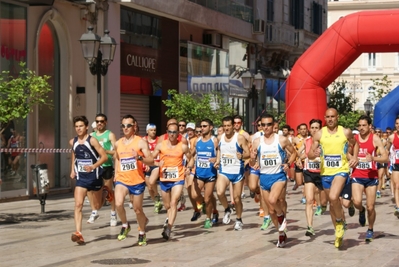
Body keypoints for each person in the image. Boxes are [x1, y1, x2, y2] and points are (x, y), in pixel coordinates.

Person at [308, 108, 358, 248]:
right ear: (325, 118)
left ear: (337, 117)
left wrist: (354, 157)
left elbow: (355, 144)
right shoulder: (319, 134)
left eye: (333, 116)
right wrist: (315, 153)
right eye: (328, 117)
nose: (330, 119)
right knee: (331, 203)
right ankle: (338, 230)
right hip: (325, 173)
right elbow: (310, 155)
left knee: (334, 196)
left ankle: (340, 222)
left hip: (341, 170)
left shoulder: (345, 132)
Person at [250, 113, 297, 247]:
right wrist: (253, 158)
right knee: (270, 211)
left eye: (268, 124)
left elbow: (293, 153)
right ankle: (281, 234)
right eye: (263, 125)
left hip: (278, 176)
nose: (265, 127)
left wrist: (288, 164)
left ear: (274, 125)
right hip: (264, 177)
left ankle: (281, 216)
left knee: (273, 200)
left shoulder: (281, 140)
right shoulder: (257, 141)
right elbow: (253, 162)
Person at [114, 115, 154, 246]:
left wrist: (140, 158)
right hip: (122, 179)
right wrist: (116, 174)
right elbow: (117, 159)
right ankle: (125, 225)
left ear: (134, 126)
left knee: (137, 210)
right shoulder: (118, 143)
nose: (125, 128)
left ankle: (142, 232)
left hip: (137, 180)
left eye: (128, 125)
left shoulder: (141, 142)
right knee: (118, 203)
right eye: (123, 126)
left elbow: (151, 160)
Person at [69, 115, 108, 245]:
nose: (78, 129)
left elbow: (104, 157)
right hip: (81, 178)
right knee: (78, 205)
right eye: (76, 126)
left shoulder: (92, 141)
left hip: (94, 176)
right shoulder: (72, 142)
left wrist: (93, 166)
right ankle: (78, 233)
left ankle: (106, 193)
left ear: (86, 127)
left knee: (97, 206)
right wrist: (72, 170)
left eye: (81, 126)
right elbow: (74, 154)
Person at [351, 115, 388, 242]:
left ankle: (370, 229)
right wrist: (351, 158)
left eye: (364, 125)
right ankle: (360, 210)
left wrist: (373, 159)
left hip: (371, 176)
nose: (361, 128)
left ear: (369, 126)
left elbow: (385, 158)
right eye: (359, 125)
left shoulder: (375, 139)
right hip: (357, 175)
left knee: (371, 207)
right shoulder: (354, 139)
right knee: (356, 201)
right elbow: (346, 152)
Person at [152, 123, 192, 240]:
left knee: (174, 203)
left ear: (178, 134)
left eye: (174, 132)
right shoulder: (160, 145)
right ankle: (169, 219)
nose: (172, 134)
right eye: (170, 132)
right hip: (164, 179)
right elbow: (151, 158)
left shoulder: (183, 146)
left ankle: (169, 228)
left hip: (178, 178)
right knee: (167, 205)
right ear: (167, 132)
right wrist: (156, 163)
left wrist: (189, 168)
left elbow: (191, 159)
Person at [214, 116, 249, 231]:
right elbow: (219, 149)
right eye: (224, 126)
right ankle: (227, 209)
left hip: (237, 172)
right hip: (224, 170)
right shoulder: (220, 137)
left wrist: (242, 156)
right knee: (219, 192)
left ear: (233, 126)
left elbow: (248, 153)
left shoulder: (239, 138)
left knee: (237, 198)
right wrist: (218, 160)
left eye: (229, 126)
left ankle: (239, 219)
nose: (226, 128)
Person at [190, 119, 219, 228]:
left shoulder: (214, 140)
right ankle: (208, 206)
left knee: (207, 198)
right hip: (199, 173)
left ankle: (208, 218)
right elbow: (191, 154)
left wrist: (216, 158)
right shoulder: (197, 141)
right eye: (201, 126)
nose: (202, 128)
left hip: (210, 174)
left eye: (204, 126)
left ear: (211, 127)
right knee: (194, 195)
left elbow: (220, 153)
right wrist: (189, 164)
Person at [90, 113, 117, 226]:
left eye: (101, 121)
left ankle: (113, 214)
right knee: (91, 190)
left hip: (106, 166)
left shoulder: (110, 135)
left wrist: (106, 152)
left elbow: (116, 152)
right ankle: (94, 211)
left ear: (105, 122)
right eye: (97, 121)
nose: (99, 123)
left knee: (108, 191)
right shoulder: (91, 135)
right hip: (95, 166)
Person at [299, 119, 324, 236]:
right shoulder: (307, 141)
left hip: (323, 173)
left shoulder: (325, 141)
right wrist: (299, 159)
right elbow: (304, 153)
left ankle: (324, 207)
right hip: (309, 172)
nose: (314, 130)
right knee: (309, 200)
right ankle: (309, 226)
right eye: (312, 127)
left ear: (320, 129)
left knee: (327, 201)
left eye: (316, 128)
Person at [142, 123, 163, 213]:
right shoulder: (143, 140)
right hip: (147, 165)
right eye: (151, 130)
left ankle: (157, 196)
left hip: (156, 164)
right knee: (149, 187)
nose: (153, 132)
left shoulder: (159, 140)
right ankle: (156, 202)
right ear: (147, 131)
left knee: (152, 181)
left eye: (154, 130)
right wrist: (145, 163)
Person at [387, 116, 399, 217]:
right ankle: (398, 206)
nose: (398, 125)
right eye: (397, 124)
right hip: (396, 165)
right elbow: (385, 150)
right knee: (397, 186)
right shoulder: (392, 137)